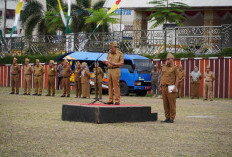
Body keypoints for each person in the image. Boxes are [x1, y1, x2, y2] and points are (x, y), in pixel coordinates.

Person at [159, 53, 178, 123]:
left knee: (172, 103)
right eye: (166, 59)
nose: (167, 60)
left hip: (171, 87)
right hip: (164, 87)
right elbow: (162, 76)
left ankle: (172, 118)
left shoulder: (175, 67)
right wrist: (160, 85)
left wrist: (175, 87)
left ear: (172, 59)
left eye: (168, 59)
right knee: (165, 103)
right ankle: (167, 117)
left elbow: (177, 78)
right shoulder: (163, 67)